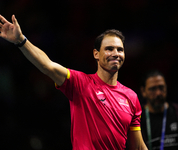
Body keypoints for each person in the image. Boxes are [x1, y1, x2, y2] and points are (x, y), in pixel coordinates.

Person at [0, 14, 148, 150]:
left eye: (120, 50)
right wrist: (21, 40)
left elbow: (138, 147)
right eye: (109, 49)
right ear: (96, 54)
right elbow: (47, 65)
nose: (115, 54)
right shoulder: (81, 83)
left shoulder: (131, 97)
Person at [140, 69, 178, 150]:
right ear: (143, 91)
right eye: (153, 89)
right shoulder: (137, 119)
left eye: (161, 88)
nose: (158, 93)